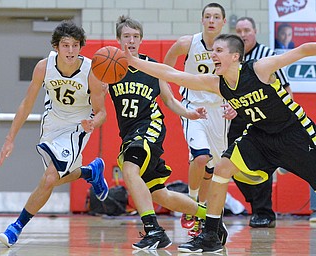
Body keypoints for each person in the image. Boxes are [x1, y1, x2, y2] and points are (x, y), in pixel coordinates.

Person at [124, 34, 316, 253]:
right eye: (211, 50)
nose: (211, 55)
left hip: (295, 134)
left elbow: (302, 50)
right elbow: (173, 75)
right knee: (222, 167)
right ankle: (211, 235)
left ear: (235, 56)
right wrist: (134, 61)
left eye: (218, 51)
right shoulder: (218, 84)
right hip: (261, 135)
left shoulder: (259, 69)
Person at [110, 15, 228, 250]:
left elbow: (169, 100)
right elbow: (96, 104)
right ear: (118, 39)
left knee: (129, 167)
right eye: (126, 37)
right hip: (129, 133)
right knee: (159, 194)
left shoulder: (152, 68)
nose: (131, 41)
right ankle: (211, 218)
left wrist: (189, 114)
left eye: (135, 37)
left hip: (150, 126)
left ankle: (154, 231)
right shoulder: (110, 68)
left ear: (141, 40)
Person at [0, 20, 109, 248]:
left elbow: (102, 112)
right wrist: (10, 139)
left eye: (75, 45)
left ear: (81, 47)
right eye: (66, 45)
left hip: (77, 125)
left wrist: (92, 123)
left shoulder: (91, 72)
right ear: (56, 47)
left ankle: (15, 227)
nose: (70, 50)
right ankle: (89, 171)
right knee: (52, 177)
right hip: (52, 123)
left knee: (49, 177)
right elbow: (26, 105)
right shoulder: (43, 67)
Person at [163, 2, 237, 237]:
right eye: (208, 16)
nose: (212, 20)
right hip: (194, 108)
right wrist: (168, 92)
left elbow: (236, 80)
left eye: (216, 17)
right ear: (202, 20)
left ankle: (204, 213)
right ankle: (192, 203)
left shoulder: (229, 48)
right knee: (200, 157)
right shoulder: (188, 43)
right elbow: (167, 64)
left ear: (223, 22)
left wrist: (234, 103)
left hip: (219, 111)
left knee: (216, 169)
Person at [234, 16, 293, 228]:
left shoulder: (267, 55)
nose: (242, 35)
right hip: (236, 119)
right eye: (239, 30)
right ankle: (256, 205)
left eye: (246, 30)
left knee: (262, 165)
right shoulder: (231, 57)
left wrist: (287, 123)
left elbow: (285, 89)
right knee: (231, 164)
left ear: (255, 31)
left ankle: (264, 212)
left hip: (263, 118)